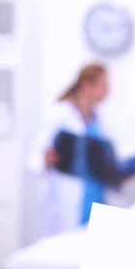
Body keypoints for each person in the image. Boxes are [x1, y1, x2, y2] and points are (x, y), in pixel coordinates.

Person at [28, 63, 113, 238]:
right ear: (86, 85)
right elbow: (32, 159)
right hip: (68, 202)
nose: (108, 91)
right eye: (104, 85)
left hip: (96, 201)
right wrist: (45, 160)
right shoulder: (60, 116)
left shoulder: (101, 121)